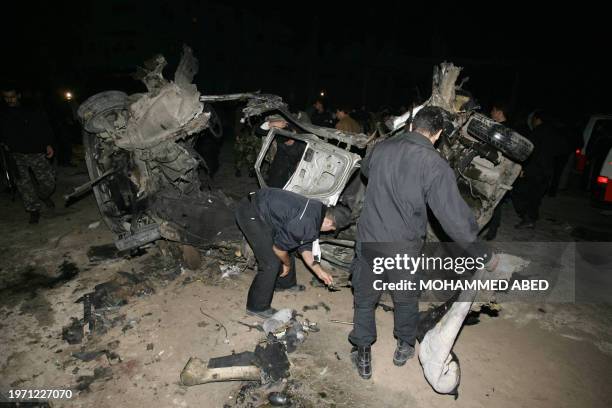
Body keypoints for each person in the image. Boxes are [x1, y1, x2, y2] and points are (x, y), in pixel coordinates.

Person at [349, 106, 493, 379]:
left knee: (365, 299)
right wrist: (477, 249)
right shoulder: (434, 164)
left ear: (413, 125)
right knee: (405, 298)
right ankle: (404, 347)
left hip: (370, 239)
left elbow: (365, 171)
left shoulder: (381, 148)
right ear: (438, 134)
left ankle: (363, 353)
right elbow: (453, 217)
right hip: (404, 245)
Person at [235, 187, 351, 318]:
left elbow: (304, 246)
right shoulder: (306, 223)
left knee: (289, 245)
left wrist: (320, 272)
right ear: (328, 221)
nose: (329, 231)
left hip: (267, 211)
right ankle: (256, 307)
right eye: (332, 229)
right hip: (251, 211)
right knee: (271, 262)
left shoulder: (318, 211)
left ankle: (284, 284)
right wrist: (286, 264)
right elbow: (279, 249)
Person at [0, 87, 56, 224]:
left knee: (49, 182)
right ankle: (33, 210)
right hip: (16, 154)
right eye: (6, 97)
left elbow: (45, 126)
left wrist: (48, 144)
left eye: (12, 96)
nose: (9, 100)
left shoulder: (32, 109)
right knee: (24, 184)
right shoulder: (3, 113)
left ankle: (43, 196)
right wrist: (4, 142)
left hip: (36, 151)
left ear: (18, 95)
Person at [512, 110, 557, 228]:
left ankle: (528, 218)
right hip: (547, 171)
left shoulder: (537, 132)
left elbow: (530, 152)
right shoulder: (553, 132)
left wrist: (524, 168)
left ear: (537, 119)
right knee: (535, 197)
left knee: (520, 193)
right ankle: (531, 218)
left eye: (533, 119)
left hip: (535, 170)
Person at [484, 100, 512, 240]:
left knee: (494, 199)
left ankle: (492, 231)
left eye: (493, 110)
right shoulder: (502, 127)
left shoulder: (503, 130)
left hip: (498, 168)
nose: (491, 113)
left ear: (499, 112)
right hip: (493, 166)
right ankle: (491, 227)